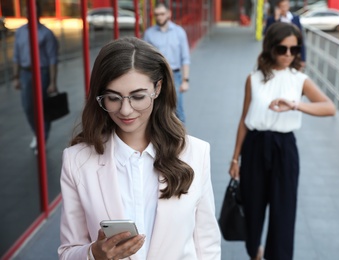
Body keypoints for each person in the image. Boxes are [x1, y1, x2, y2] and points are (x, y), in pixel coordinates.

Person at [58, 37, 221, 260]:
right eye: (113, 98)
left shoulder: (196, 153)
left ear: (158, 88)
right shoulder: (77, 160)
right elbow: (67, 252)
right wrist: (93, 254)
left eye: (138, 96)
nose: (125, 110)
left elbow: (206, 244)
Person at [229, 22, 335, 260]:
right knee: (252, 207)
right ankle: (254, 252)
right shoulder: (253, 79)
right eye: (282, 49)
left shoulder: (299, 80)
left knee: (283, 210)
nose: (288, 55)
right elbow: (244, 120)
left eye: (294, 50)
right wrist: (235, 157)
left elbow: (330, 108)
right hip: (254, 147)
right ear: (270, 48)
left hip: (285, 148)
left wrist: (296, 105)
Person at [13, 2, 59, 152]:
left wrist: (52, 82)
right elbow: (16, 56)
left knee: (42, 107)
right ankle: (37, 134)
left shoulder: (46, 33)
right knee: (28, 107)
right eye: (27, 10)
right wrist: (16, 77)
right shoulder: (20, 32)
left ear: (38, 12)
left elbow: (53, 58)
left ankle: (42, 138)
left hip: (42, 72)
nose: (29, 13)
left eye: (33, 10)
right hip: (26, 73)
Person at [143, 2, 190, 123]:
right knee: (156, 109)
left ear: (169, 14)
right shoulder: (149, 34)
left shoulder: (179, 32)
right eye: (157, 14)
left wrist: (185, 80)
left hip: (175, 76)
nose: (159, 17)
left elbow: (185, 57)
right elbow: (145, 58)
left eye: (162, 14)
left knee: (178, 110)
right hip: (156, 76)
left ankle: (182, 139)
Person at [264, 0, 306, 66]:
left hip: (293, 52)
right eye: (282, 6)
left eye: (285, 6)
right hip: (278, 53)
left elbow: (301, 39)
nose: (284, 8)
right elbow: (268, 36)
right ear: (278, 7)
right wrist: (276, 20)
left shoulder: (295, 18)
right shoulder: (272, 19)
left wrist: (303, 59)